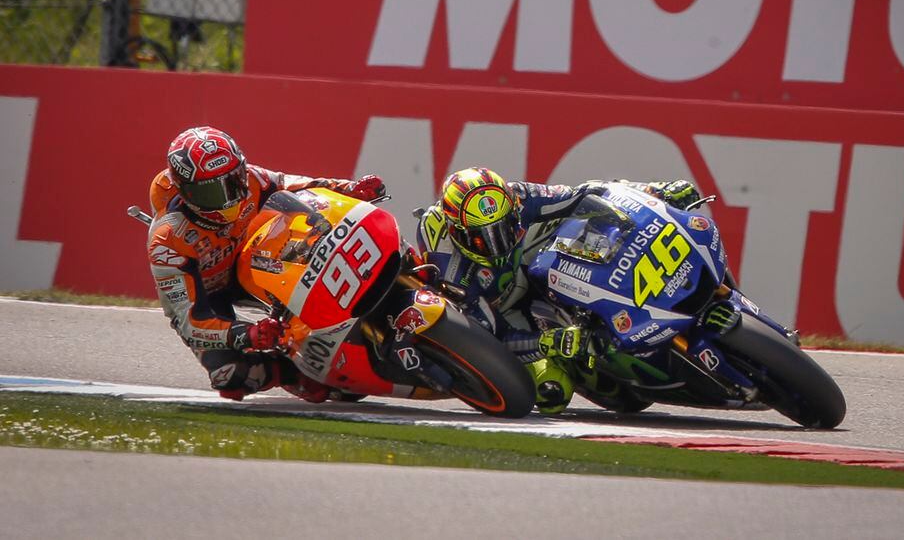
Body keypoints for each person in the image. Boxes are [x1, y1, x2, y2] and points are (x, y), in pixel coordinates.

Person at [415, 167, 699, 414]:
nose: (497, 244)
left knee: (596, 223)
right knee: (553, 393)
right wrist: (548, 342)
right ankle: (574, 357)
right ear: (456, 232)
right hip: (501, 310)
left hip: (532, 262)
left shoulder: (519, 197)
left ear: (513, 209)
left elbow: (589, 193)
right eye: (481, 239)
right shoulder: (450, 271)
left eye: (505, 228)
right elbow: (487, 341)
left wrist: (652, 191)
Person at [146, 126, 387, 403]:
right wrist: (248, 334)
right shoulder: (167, 240)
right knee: (229, 375)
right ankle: (294, 373)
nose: (228, 199)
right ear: (185, 191)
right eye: (211, 192)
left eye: (232, 182)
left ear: (240, 169)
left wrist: (349, 189)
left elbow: (298, 185)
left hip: (257, 259)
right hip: (209, 291)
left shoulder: (252, 179)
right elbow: (189, 322)